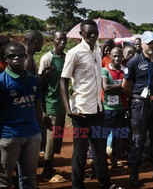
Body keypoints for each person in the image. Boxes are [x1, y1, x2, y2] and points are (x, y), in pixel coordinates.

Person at [59, 20, 122, 189]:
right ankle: (77, 185)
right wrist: (68, 109)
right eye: (89, 33)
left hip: (97, 108)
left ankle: (104, 182)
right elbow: (63, 80)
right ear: (81, 34)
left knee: (100, 150)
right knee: (80, 152)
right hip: (81, 110)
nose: (93, 36)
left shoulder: (96, 50)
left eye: (95, 33)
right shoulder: (74, 53)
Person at [122, 31, 153, 186]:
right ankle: (134, 173)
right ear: (142, 44)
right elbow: (126, 85)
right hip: (140, 105)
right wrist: (139, 97)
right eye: (148, 43)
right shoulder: (134, 62)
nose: (151, 46)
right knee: (138, 138)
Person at [0, 42, 44, 188]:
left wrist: (41, 130)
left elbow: (37, 105)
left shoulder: (33, 79)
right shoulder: (2, 81)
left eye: (21, 55)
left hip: (32, 134)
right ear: (5, 58)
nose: (17, 58)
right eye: (12, 55)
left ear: (26, 57)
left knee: (29, 177)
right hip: (10, 136)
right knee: (4, 179)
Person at [38, 31, 68, 181]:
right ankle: (46, 170)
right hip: (51, 104)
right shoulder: (47, 58)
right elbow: (41, 85)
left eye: (64, 39)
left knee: (56, 138)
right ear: (53, 41)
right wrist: (43, 110)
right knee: (50, 138)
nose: (62, 42)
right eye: (59, 39)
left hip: (62, 105)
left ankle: (50, 166)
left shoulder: (66, 57)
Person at [102, 47, 128, 172]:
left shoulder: (125, 71)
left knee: (119, 138)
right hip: (107, 110)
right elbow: (106, 87)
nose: (117, 58)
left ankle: (115, 163)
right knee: (103, 136)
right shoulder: (104, 71)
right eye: (114, 56)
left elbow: (129, 88)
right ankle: (101, 164)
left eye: (119, 56)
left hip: (121, 109)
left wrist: (119, 87)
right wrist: (122, 86)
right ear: (110, 56)